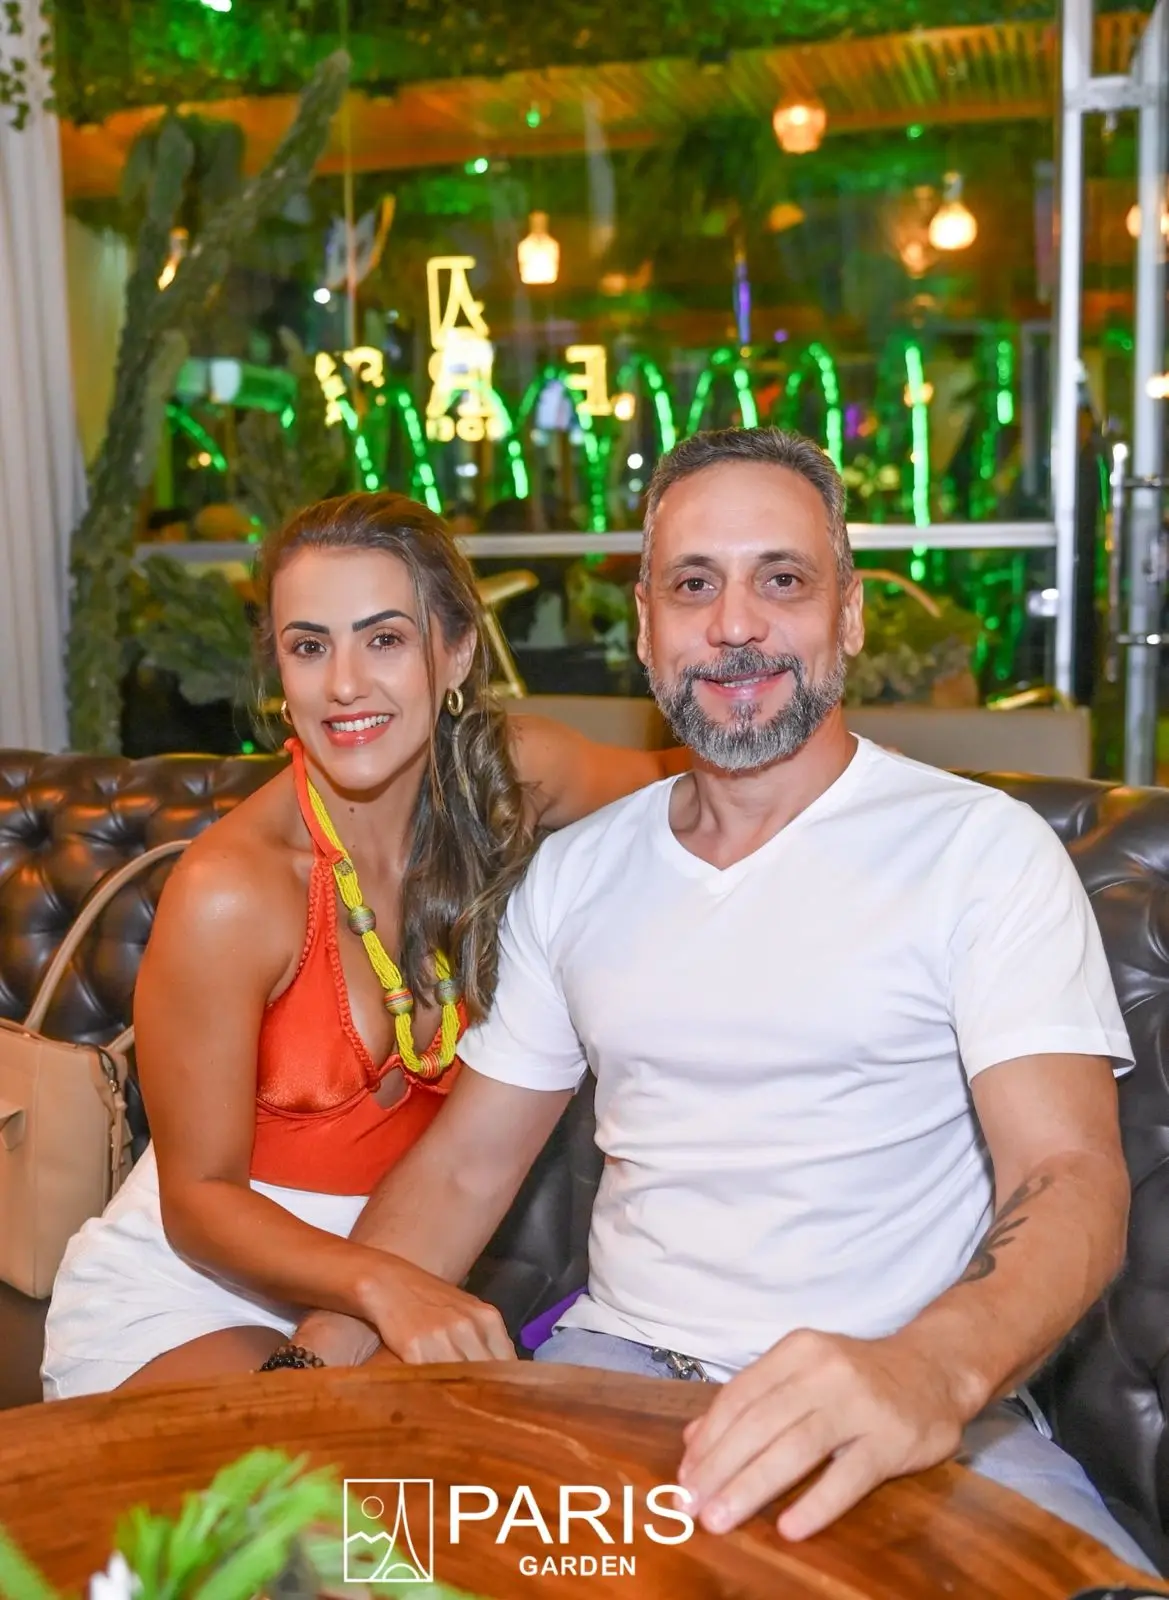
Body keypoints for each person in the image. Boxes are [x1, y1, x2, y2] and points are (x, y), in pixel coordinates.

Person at [286, 428, 1151, 1572]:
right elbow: (461, 1172)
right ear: (644, 625)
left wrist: (926, 1370)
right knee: (312, 1569)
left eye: (779, 580)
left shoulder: (977, 852)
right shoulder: (577, 872)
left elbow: (1069, 1173)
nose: (734, 624)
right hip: (614, 1386)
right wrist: (298, 1380)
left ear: (848, 613)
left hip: (913, 1404)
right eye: (694, 585)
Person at [41, 491, 686, 1400]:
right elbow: (198, 1203)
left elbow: (691, 782)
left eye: (383, 639)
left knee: (449, 1484)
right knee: (313, 1485)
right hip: (187, 1300)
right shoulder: (233, 889)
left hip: (388, 1292)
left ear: (455, 651)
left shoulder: (508, 781)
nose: (343, 685)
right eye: (309, 647)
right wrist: (387, 1287)